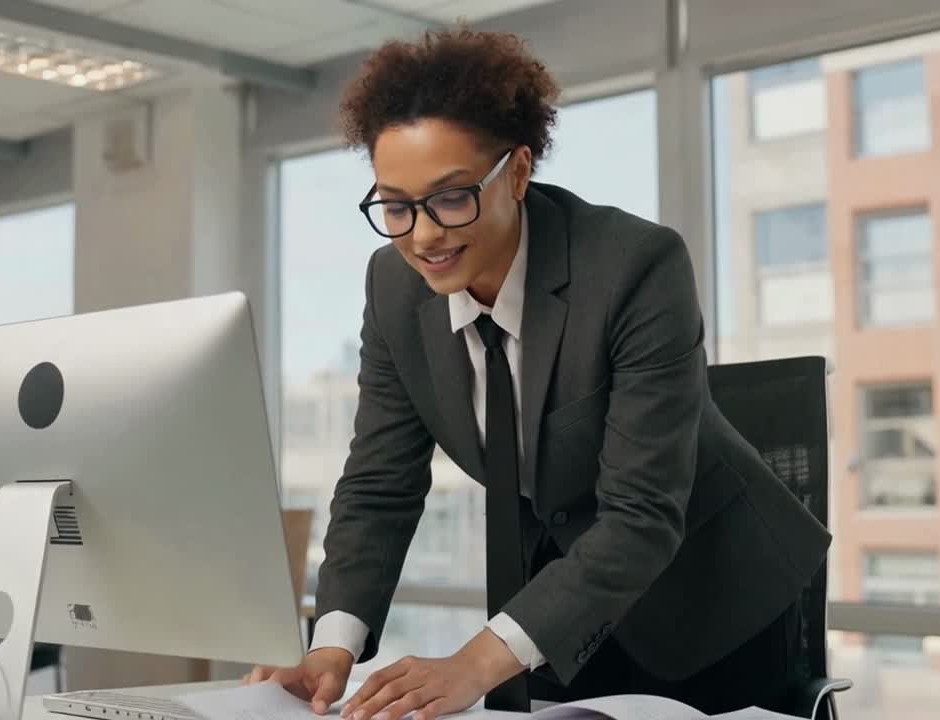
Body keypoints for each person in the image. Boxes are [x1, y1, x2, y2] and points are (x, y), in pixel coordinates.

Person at [246, 28, 831, 720]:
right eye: (396, 206)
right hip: (552, 610)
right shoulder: (395, 287)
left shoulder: (635, 268)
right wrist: (330, 645)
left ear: (518, 172)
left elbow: (641, 515)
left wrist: (473, 662)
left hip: (708, 599)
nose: (423, 234)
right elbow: (380, 483)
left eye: (451, 197)